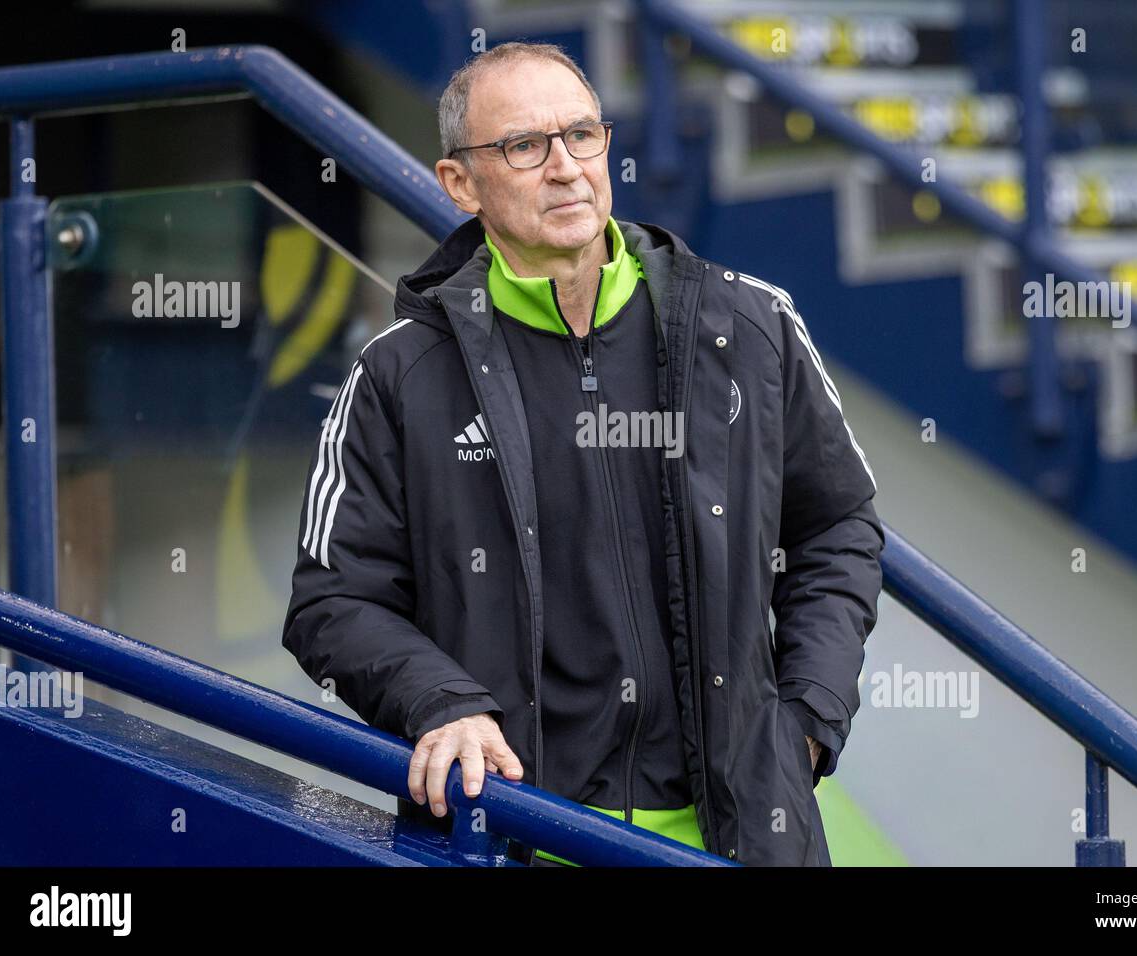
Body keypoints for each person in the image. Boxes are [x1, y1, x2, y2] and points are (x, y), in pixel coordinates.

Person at [281, 40, 884, 867]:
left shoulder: (750, 326)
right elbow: (332, 600)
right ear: (460, 184)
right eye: (524, 147)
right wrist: (440, 701)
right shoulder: (397, 374)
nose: (565, 167)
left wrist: (808, 715)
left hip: (744, 837)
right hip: (514, 834)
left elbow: (838, 526)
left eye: (583, 136)